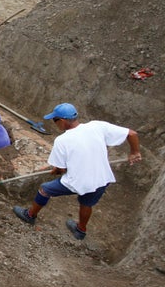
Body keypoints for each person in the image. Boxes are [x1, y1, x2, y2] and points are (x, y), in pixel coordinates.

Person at [13, 103, 142, 241]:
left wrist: (56, 170)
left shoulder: (62, 141)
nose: (55, 123)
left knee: (45, 189)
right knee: (87, 203)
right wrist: (135, 152)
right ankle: (81, 230)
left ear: (61, 121)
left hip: (79, 182)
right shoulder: (97, 126)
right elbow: (132, 133)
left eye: (54, 120)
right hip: (101, 179)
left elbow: (61, 169)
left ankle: (30, 215)